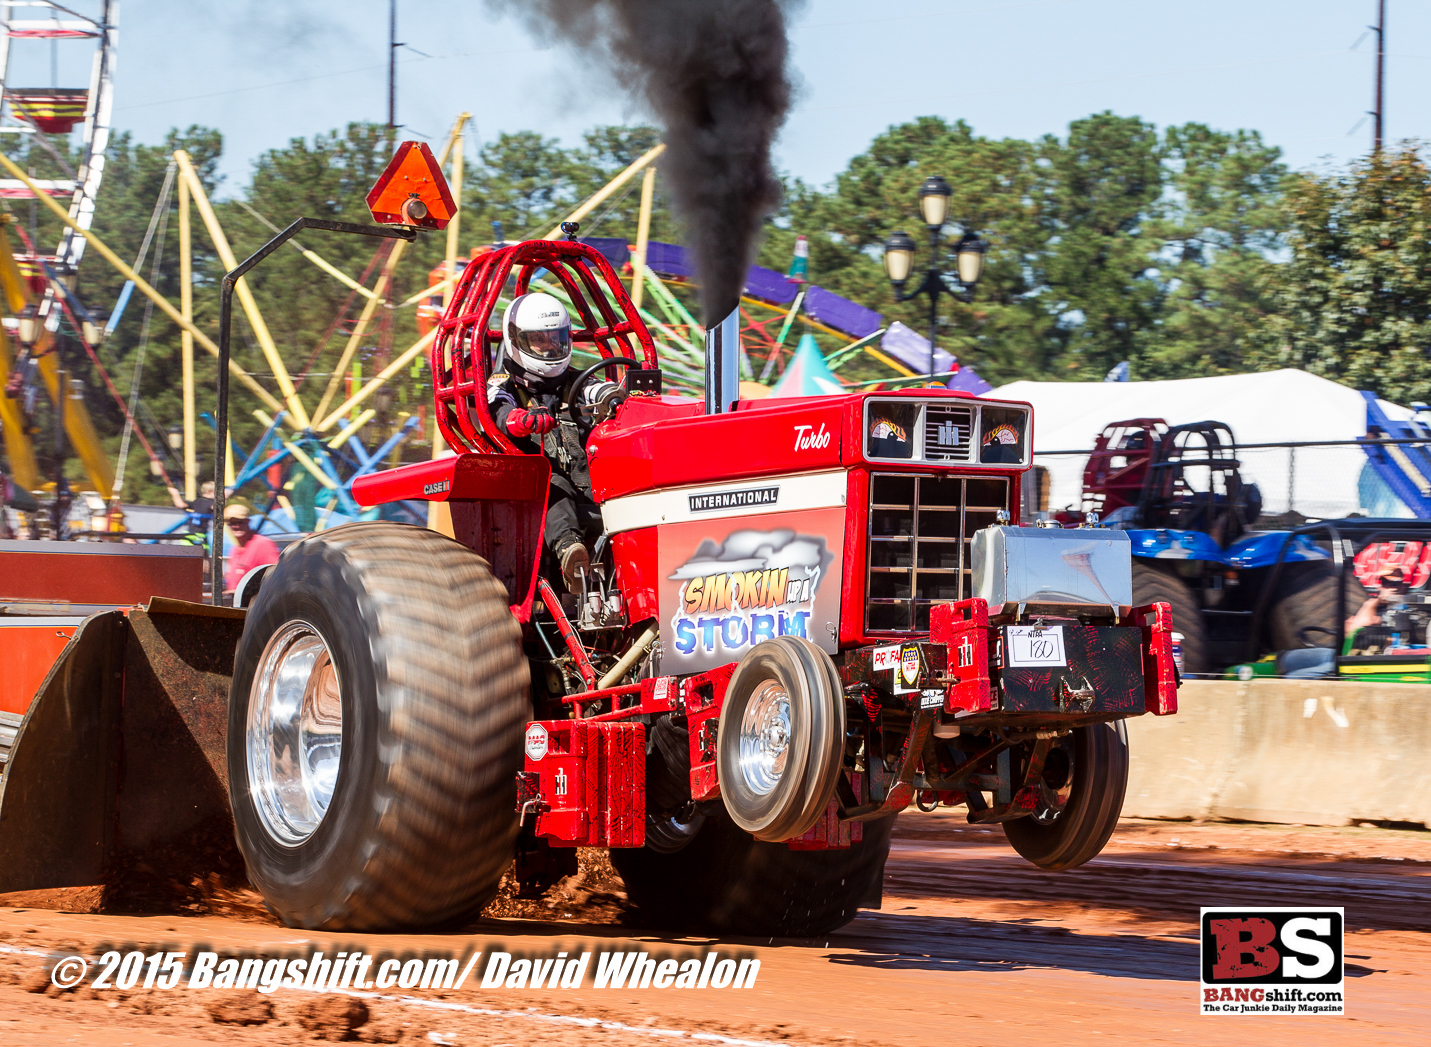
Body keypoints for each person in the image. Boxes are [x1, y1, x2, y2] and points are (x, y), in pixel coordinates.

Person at [487, 291, 623, 592]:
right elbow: (497, 408)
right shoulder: (504, 383)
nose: (550, 348)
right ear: (517, 341)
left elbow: (594, 388)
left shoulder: (573, 380)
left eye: (556, 339)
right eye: (540, 340)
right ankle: (571, 553)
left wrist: (611, 396)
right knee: (551, 484)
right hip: (534, 482)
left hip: (586, 477)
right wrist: (519, 420)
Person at [223, 503, 280, 594]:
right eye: (232, 523)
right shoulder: (234, 550)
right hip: (235, 604)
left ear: (247, 521)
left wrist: (245, 592)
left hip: (253, 605)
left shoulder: (263, 545)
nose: (236, 526)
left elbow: (275, 578)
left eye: (240, 522)